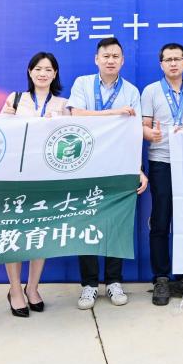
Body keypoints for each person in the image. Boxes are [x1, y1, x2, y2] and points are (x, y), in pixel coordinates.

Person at [67, 37, 148, 310]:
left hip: (118, 166)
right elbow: (76, 114)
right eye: (106, 56)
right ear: (96, 59)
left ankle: (114, 281)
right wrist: (115, 113)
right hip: (84, 165)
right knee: (85, 224)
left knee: (117, 224)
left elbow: (134, 133)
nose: (110, 60)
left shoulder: (131, 91)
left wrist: (138, 170)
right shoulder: (82, 84)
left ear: (122, 61)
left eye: (115, 56)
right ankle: (89, 284)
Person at [0, 51, 68, 316]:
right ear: (30, 72)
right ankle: (15, 289)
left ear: (55, 73)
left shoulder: (63, 104)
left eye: (48, 69)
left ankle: (33, 287)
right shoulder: (15, 99)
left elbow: (69, 139)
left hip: (46, 176)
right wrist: (7, 119)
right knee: (13, 233)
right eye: (38, 68)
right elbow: (0, 134)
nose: (43, 73)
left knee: (40, 232)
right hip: (15, 176)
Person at [140, 43, 183, 305]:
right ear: (161, 64)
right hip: (161, 161)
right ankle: (161, 278)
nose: (173, 63)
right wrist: (150, 134)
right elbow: (144, 126)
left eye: (177, 59)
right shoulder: (151, 91)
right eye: (168, 60)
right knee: (161, 220)